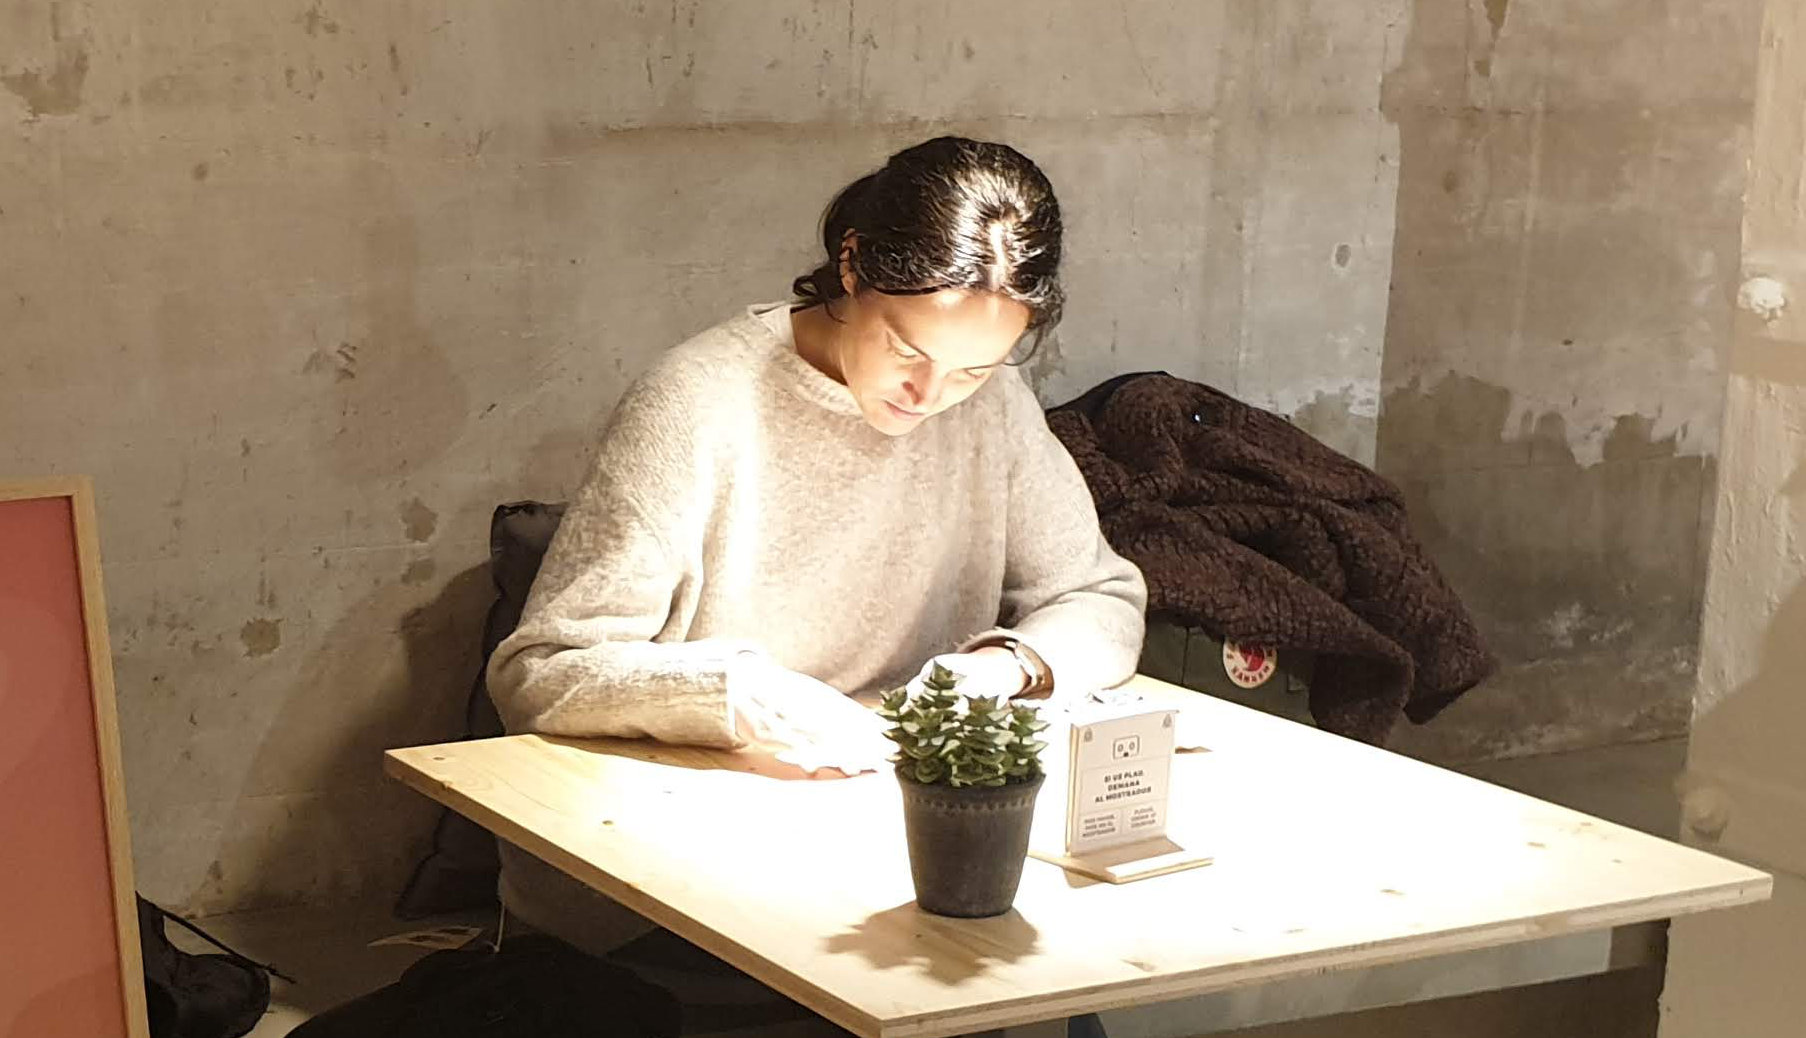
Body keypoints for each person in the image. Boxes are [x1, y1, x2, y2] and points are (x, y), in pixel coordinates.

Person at [485, 136, 1147, 1026]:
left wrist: (1003, 666)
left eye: (975, 368)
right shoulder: (699, 403)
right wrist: (738, 692)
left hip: (877, 844)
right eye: (906, 348)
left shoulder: (990, 409)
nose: (929, 394)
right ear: (852, 266)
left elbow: (1101, 597)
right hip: (664, 891)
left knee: (1055, 991)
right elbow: (540, 670)